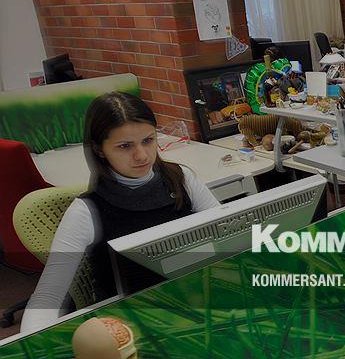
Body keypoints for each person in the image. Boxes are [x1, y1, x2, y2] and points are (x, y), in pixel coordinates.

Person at [20, 92, 220, 333]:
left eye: (148, 140)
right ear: (99, 150)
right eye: (125, 146)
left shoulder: (181, 179)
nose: (142, 155)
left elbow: (227, 234)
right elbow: (48, 297)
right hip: (134, 324)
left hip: (195, 303)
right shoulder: (86, 211)